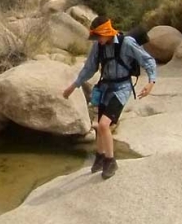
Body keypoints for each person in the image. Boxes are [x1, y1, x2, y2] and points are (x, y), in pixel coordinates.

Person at [63, 16, 157, 179]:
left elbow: (147, 60)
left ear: (106, 32)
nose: (97, 41)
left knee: (104, 124)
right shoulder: (98, 47)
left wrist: (151, 82)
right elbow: (89, 68)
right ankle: (99, 157)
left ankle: (110, 160)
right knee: (99, 126)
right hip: (105, 87)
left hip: (122, 88)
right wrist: (74, 86)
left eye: (98, 37)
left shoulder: (126, 43)